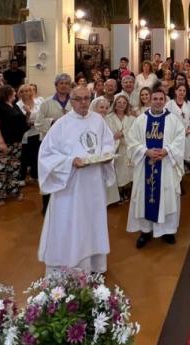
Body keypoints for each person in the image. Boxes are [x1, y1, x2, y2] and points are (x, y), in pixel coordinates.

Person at [38, 86, 116, 275]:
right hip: (70, 186)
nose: (83, 103)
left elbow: (107, 143)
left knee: (92, 222)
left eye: (86, 98)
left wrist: (106, 156)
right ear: (71, 101)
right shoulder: (61, 124)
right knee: (71, 223)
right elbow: (46, 154)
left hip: (93, 183)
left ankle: (94, 265)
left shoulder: (98, 120)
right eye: (78, 99)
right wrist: (70, 162)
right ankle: (69, 264)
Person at [126, 87, 186, 248]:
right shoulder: (140, 120)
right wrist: (146, 151)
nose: (158, 102)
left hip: (166, 165)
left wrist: (167, 151)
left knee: (167, 195)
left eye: (161, 99)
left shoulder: (173, 119)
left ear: (165, 101)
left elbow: (180, 139)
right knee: (144, 196)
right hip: (145, 164)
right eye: (155, 99)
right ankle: (145, 231)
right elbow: (131, 141)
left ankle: (168, 230)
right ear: (150, 100)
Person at [36, 74, 73, 214]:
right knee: (50, 173)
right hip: (51, 145)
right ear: (56, 86)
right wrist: (53, 122)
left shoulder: (74, 102)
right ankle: (47, 207)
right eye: (61, 83)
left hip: (69, 145)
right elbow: (38, 123)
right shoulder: (46, 103)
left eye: (66, 83)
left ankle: (65, 206)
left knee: (66, 174)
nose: (64, 85)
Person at [0, 85, 28, 205]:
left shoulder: (14, 105)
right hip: (1, 143)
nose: (15, 93)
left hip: (15, 142)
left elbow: (20, 121)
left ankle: (13, 190)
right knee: (0, 170)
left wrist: (28, 114)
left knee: (14, 169)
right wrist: (1, 142)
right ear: (6, 94)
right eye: (13, 92)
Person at [105, 94, 135, 204]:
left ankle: (127, 190)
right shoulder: (108, 118)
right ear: (115, 104)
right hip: (115, 148)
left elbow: (133, 132)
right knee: (117, 171)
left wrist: (122, 133)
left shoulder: (132, 119)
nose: (121, 105)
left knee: (127, 171)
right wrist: (114, 136)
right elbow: (106, 133)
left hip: (127, 147)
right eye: (119, 102)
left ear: (127, 105)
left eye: (124, 103)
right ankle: (117, 193)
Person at [165, 83, 190, 173]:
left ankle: (185, 166)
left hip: (187, 133)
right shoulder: (169, 104)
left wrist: (189, 129)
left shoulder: (189, 104)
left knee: (186, 152)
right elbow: (165, 119)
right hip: (173, 134)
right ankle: (177, 169)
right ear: (175, 91)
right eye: (180, 90)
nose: (182, 92)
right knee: (175, 152)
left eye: (184, 91)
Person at [17, 84, 43, 184]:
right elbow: (19, 120)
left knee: (36, 154)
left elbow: (42, 114)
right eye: (22, 91)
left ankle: (35, 175)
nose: (25, 93)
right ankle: (22, 177)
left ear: (31, 92)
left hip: (38, 131)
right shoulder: (18, 105)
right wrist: (27, 120)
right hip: (25, 133)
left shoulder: (39, 101)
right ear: (19, 93)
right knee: (24, 155)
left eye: (27, 91)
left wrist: (36, 122)